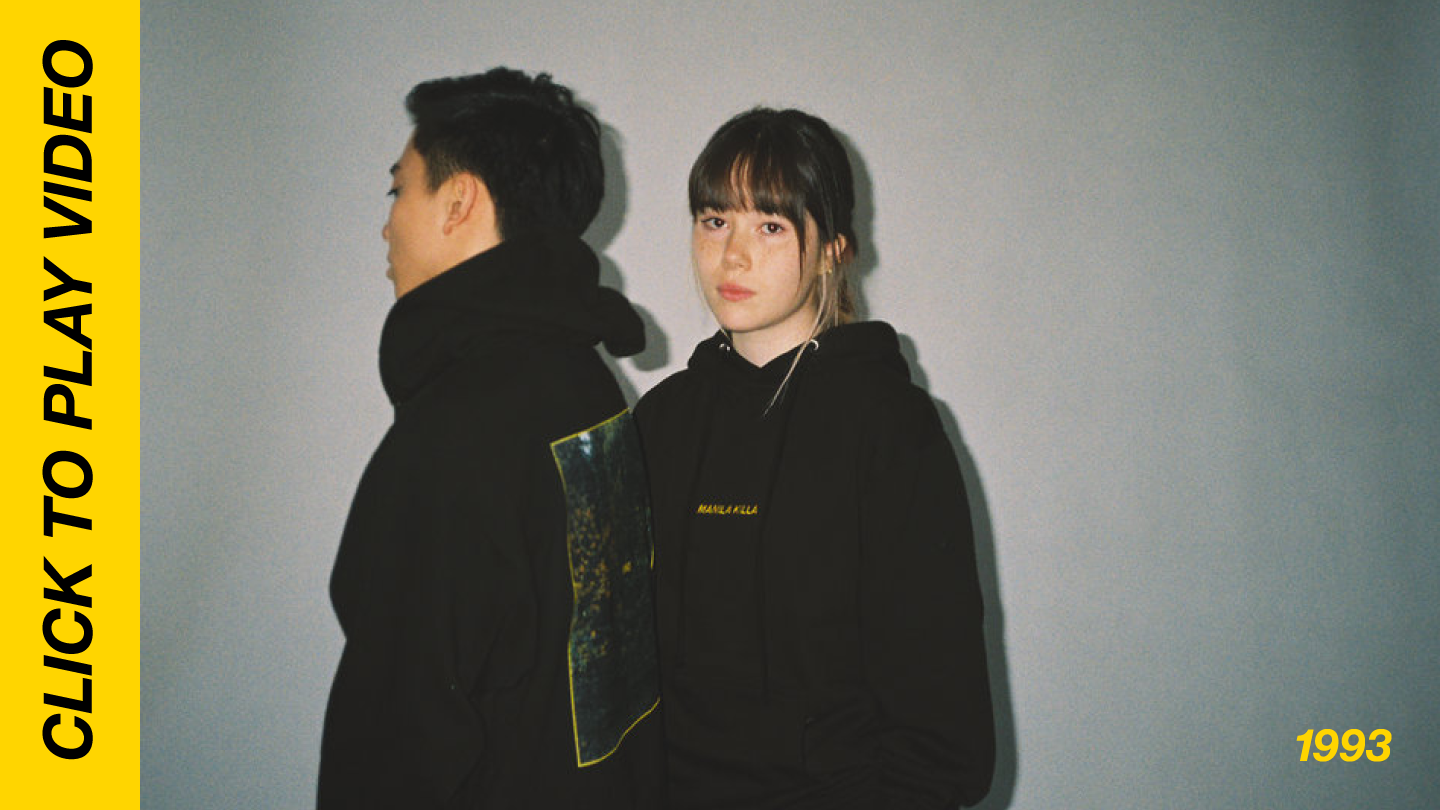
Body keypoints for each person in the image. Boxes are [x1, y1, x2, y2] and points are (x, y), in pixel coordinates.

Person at [318, 68, 662, 809]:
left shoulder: (457, 433)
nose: (388, 225)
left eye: (399, 191)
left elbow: (395, 742)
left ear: (459, 202)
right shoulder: (586, 385)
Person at [633, 108, 995, 809]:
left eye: (770, 226)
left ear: (832, 248)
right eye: (715, 221)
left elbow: (942, 728)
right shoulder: (661, 421)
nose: (733, 256)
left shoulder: (889, 427)